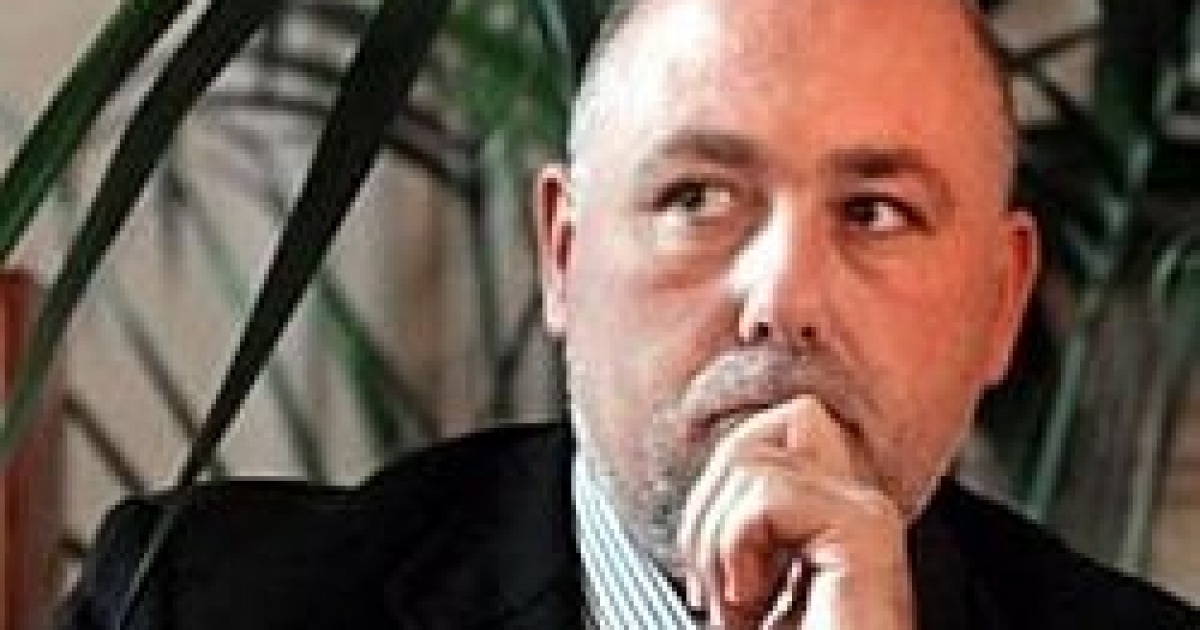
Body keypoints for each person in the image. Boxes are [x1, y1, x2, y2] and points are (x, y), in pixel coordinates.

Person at [59, 0, 1199, 628]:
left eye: (876, 212)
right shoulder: (203, 605)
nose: (782, 299)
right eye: (698, 198)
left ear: (1001, 302)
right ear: (564, 255)